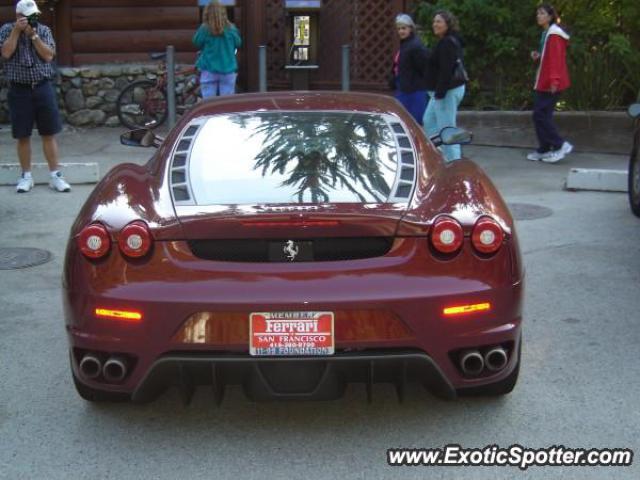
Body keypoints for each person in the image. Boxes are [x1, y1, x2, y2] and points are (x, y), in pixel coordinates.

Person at [0, 0, 70, 193]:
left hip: (42, 86)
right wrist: (16, 32)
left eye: (34, 16)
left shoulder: (43, 30)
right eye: (28, 16)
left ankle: (55, 175)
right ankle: (26, 176)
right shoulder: (6, 30)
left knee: (49, 132)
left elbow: (49, 56)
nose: (33, 19)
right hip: (19, 89)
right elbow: (6, 53)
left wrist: (34, 37)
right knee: (22, 135)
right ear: (18, 16)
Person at [526, 4, 572, 163]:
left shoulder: (554, 35)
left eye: (542, 13)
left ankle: (560, 145)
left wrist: (554, 81)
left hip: (551, 83)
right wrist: (538, 56)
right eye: (537, 13)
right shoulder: (546, 33)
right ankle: (545, 148)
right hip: (544, 81)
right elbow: (547, 56)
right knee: (541, 115)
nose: (538, 16)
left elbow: (556, 59)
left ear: (550, 16)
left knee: (540, 114)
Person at [422, 10, 466, 162]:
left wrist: (440, 93)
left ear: (448, 24)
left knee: (447, 129)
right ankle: (440, 153)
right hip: (440, 92)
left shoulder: (448, 42)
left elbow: (446, 69)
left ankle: (455, 163)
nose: (435, 24)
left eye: (439, 21)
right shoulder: (445, 41)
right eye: (434, 21)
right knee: (428, 120)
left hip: (447, 91)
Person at [192, 0, 242, 98]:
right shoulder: (231, 29)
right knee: (226, 103)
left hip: (208, 69)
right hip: (228, 69)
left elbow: (196, 42)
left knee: (209, 104)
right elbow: (238, 43)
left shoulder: (204, 29)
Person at [389, 14, 429, 125]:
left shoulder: (415, 46)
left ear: (410, 28)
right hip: (404, 89)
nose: (401, 31)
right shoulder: (405, 45)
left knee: (413, 123)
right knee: (403, 122)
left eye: (404, 28)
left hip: (414, 92)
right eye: (399, 29)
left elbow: (424, 68)